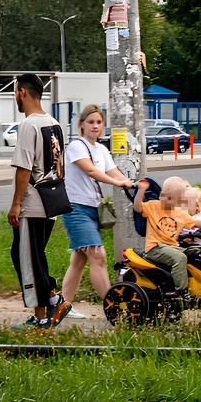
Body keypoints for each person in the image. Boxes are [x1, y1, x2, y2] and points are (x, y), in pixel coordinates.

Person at [7, 73, 71, 330]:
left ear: (22, 92)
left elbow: (23, 169)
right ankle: (49, 304)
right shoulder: (54, 123)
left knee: (29, 259)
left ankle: (45, 313)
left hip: (32, 203)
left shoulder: (28, 125)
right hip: (51, 199)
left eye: (15, 92)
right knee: (29, 255)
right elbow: (59, 165)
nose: (16, 98)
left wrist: (16, 204)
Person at [60, 104, 133, 304]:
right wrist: (118, 183)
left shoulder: (100, 148)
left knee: (79, 260)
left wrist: (131, 183)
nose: (95, 126)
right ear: (81, 124)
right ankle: (113, 305)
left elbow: (113, 171)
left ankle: (62, 304)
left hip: (93, 210)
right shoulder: (76, 146)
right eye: (90, 122)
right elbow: (90, 171)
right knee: (98, 256)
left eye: (99, 122)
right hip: (76, 209)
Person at [133, 178, 201, 302]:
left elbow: (197, 222)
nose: (164, 199)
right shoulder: (154, 206)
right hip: (155, 247)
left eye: (169, 198)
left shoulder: (181, 213)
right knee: (180, 258)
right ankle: (182, 292)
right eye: (162, 195)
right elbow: (138, 208)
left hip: (172, 247)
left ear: (179, 200)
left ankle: (199, 288)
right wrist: (141, 191)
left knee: (196, 254)